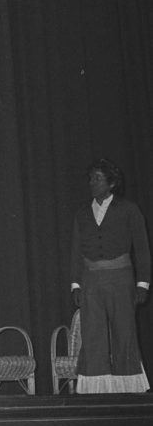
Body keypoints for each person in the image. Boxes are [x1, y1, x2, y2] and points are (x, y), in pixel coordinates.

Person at [70, 158, 150, 393]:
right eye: (90, 179)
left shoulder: (129, 209)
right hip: (91, 281)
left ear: (111, 183)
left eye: (98, 178)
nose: (92, 183)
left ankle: (128, 391)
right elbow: (75, 251)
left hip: (121, 278)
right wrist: (75, 284)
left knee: (124, 331)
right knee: (93, 334)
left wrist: (142, 284)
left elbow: (142, 248)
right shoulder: (82, 213)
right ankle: (96, 391)